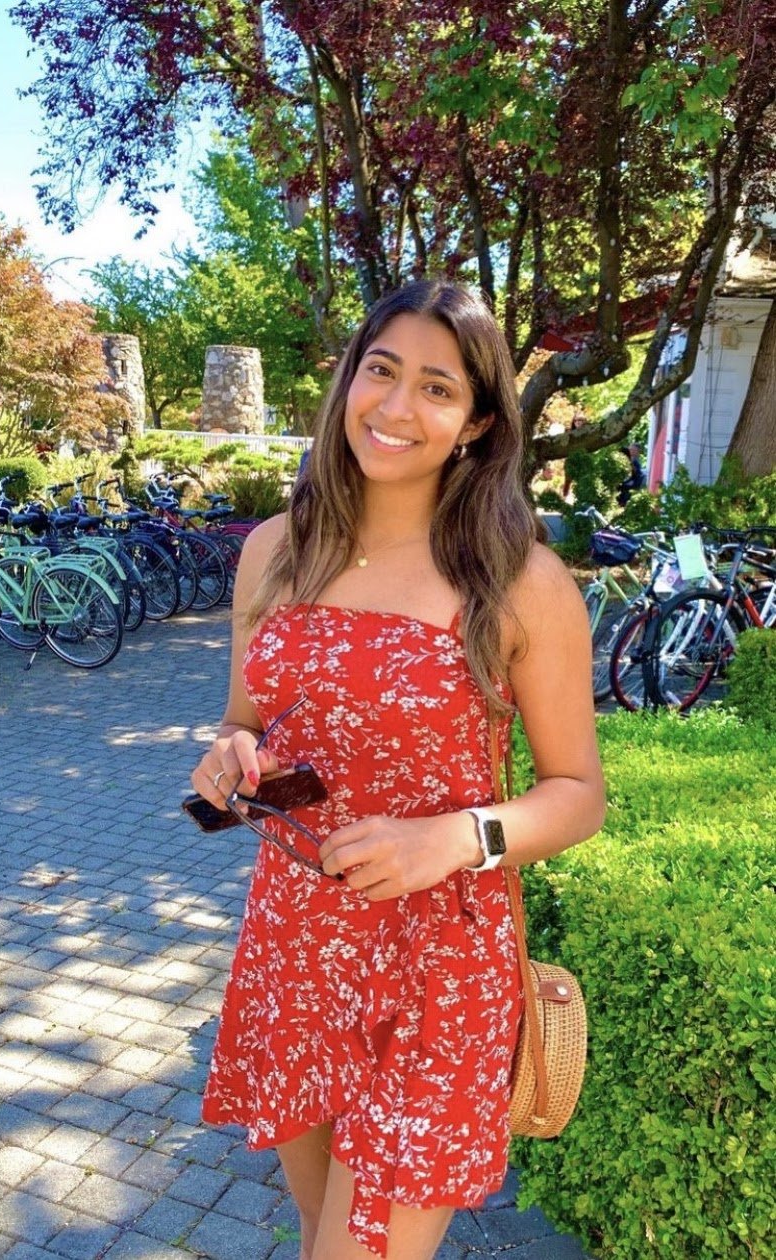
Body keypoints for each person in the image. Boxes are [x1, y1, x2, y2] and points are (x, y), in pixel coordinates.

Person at [189, 279, 605, 1260]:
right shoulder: (271, 555)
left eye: (434, 387)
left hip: (437, 974)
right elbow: (255, 739)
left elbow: (577, 796)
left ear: (474, 424)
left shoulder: (517, 584)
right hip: (294, 949)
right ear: (344, 381)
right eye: (379, 371)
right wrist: (231, 770)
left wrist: (457, 837)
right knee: (314, 1232)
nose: (394, 406)